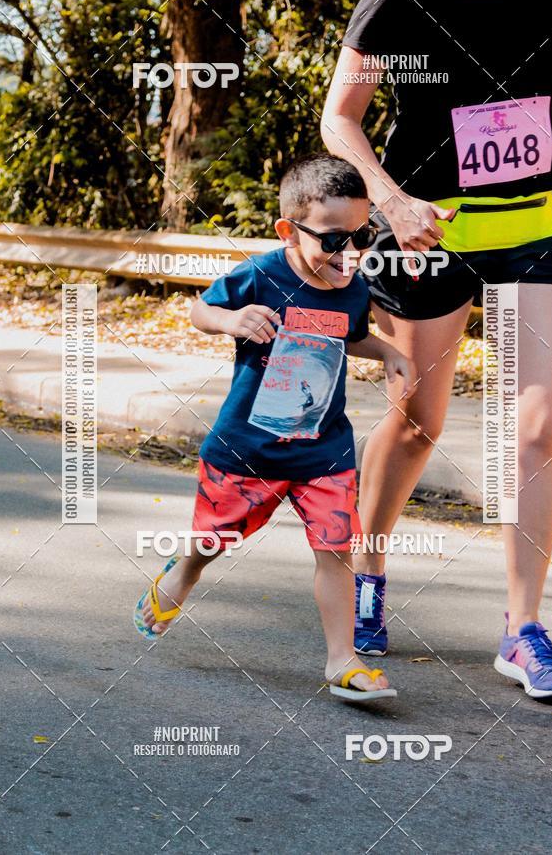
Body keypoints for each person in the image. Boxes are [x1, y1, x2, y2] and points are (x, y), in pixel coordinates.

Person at [322, 0, 552, 697]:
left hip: (535, 227)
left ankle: (523, 628)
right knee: (417, 422)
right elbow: (339, 117)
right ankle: (367, 574)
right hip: (428, 229)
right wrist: (392, 201)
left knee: (537, 426)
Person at [133, 154, 415, 701]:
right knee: (216, 538)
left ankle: (343, 661)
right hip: (248, 448)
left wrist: (387, 351)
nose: (350, 253)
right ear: (290, 230)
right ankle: (185, 572)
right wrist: (232, 320)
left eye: (363, 237)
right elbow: (200, 310)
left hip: (324, 449)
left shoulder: (354, 286)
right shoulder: (262, 274)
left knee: (335, 548)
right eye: (335, 240)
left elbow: (348, 334)